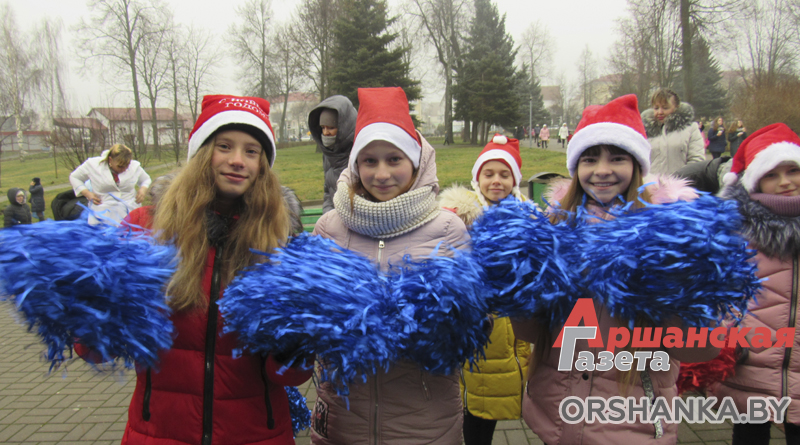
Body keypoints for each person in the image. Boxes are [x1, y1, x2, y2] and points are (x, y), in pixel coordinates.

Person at [76, 95, 313, 444]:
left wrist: (294, 347)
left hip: (256, 434)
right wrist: (90, 312)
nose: (237, 160)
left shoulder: (280, 240)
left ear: (263, 164)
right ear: (201, 153)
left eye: (251, 151)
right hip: (158, 433)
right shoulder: (145, 228)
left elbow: (289, 376)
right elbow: (97, 351)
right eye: (224, 146)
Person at [510, 95, 720, 444]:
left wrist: (667, 288)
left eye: (617, 158)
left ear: (637, 165)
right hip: (556, 416)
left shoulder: (672, 235)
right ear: (576, 167)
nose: (602, 170)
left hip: (630, 424)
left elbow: (701, 348)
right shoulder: (555, 228)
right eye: (590, 158)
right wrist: (517, 293)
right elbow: (533, 333)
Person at [309, 87, 470, 444]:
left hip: (424, 425)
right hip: (343, 422)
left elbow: (472, 327)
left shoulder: (449, 229)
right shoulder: (329, 227)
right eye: (369, 161)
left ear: (415, 162)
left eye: (394, 159)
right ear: (355, 165)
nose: (382, 173)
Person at [709, 123, 800, 445]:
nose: (785, 182)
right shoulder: (734, 229)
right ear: (755, 180)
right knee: (749, 434)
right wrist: (732, 340)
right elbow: (717, 293)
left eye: (793, 170)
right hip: (750, 362)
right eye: (772, 174)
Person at [438, 135, 531, 445]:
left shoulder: (529, 215)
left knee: (508, 391)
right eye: (488, 174)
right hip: (482, 325)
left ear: (515, 180)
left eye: (504, 174)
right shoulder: (459, 216)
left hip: (516, 326)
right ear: (477, 178)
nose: (496, 181)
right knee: (478, 402)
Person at [69, 144, 152, 225]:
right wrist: (87, 193)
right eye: (120, 166)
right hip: (103, 214)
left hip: (130, 212)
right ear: (110, 160)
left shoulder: (134, 166)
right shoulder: (93, 165)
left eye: (127, 166)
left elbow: (146, 179)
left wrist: (143, 189)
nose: (124, 169)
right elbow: (74, 177)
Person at [308, 95, 357, 214]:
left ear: (343, 127)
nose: (326, 133)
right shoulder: (328, 153)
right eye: (323, 128)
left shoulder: (359, 153)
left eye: (331, 128)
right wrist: (328, 215)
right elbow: (328, 191)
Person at [641, 88, 705, 175]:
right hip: (651, 182)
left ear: (676, 108)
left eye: (665, 108)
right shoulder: (644, 130)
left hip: (682, 181)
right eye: (656, 108)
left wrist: (681, 180)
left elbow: (697, 160)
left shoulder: (691, 128)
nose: (660, 112)